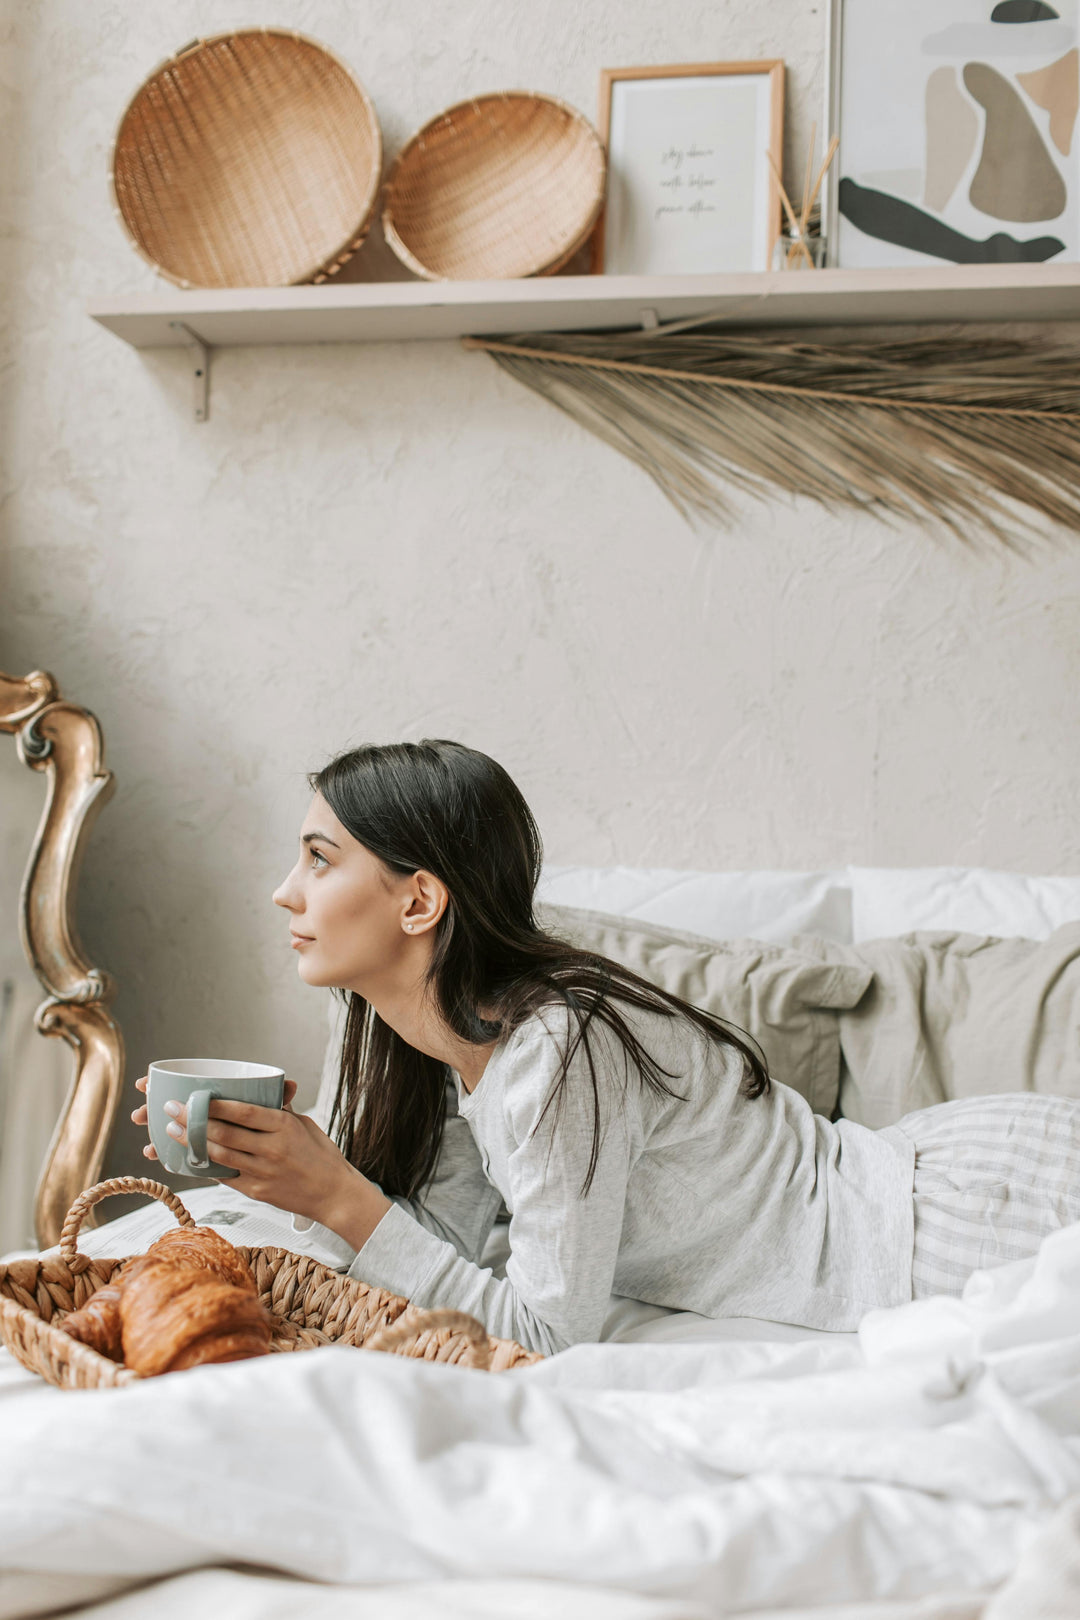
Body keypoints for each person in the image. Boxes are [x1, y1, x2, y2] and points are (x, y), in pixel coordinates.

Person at [132, 740, 1080, 1357]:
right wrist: (287, 1175)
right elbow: (444, 1255)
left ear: (418, 901)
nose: (283, 892)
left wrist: (337, 1193)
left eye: (319, 859)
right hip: (927, 1183)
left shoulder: (559, 1050)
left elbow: (543, 1336)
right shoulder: (410, 1032)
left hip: (953, 1225)